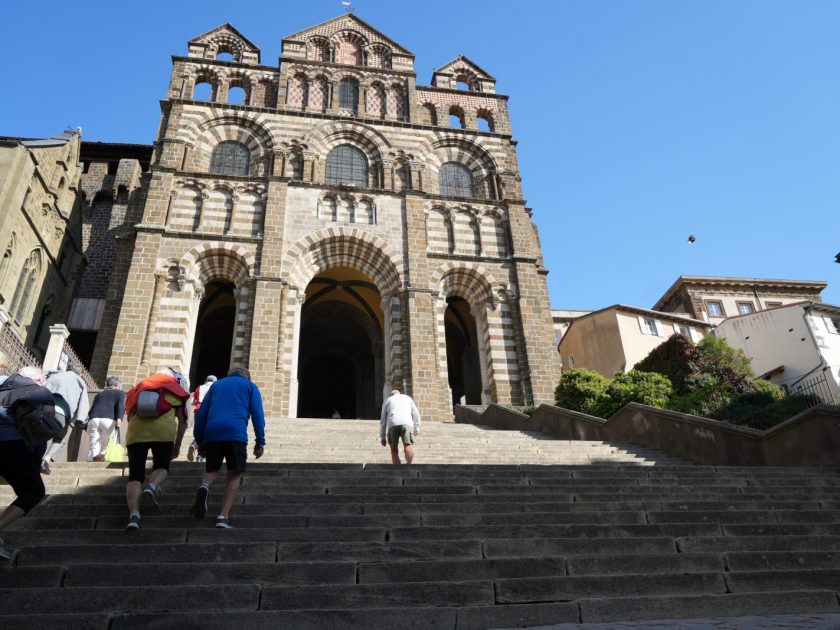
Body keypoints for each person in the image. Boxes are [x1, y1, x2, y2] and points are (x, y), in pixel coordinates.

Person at [191, 367, 265, 529]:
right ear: (247, 376)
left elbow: (201, 413)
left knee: (211, 469)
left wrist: (199, 439)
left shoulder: (216, 386)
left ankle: (204, 486)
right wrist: (260, 440)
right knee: (234, 473)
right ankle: (223, 516)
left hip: (213, 433)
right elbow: (257, 414)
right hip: (235, 433)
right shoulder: (250, 387)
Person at [123, 367, 189, 530]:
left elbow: (128, 413)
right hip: (163, 434)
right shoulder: (175, 388)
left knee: (135, 476)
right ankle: (152, 487)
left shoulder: (138, 387)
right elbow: (182, 421)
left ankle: (134, 516)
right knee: (162, 466)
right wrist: (178, 444)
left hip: (136, 434)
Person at [0, 366, 55, 559]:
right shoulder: (38, 391)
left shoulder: (3, 384)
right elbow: (45, 423)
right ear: (37, 380)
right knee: (34, 491)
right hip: (11, 443)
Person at [41, 363, 90, 474]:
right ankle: (46, 459)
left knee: (39, 432)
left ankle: (33, 456)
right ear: (81, 374)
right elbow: (84, 403)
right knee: (59, 438)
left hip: (43, 408)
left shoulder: (53, 375)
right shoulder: (80, 382)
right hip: (62, 412)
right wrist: (80, 419)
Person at [87, 376, 126, 462]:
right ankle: (104, 458)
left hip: (93, 419)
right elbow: (120, 406)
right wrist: (119, 418)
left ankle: (91, 460)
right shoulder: (119, 392)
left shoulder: (99, 395)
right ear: (118, 385)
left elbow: (92, 408)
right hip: (108, 419)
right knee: (112, 441)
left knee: (94, 443)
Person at [379, 389, 421, 465]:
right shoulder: (408, 398)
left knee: (394, 449)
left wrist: (383, 437)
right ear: (399, 394)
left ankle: (397, 467)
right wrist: (417, 428)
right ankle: (409, 464)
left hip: (393, 423)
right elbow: (416, 413)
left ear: (391, 395)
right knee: (408, 445)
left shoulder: (388, 400)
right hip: (407, 423)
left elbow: (383, 420)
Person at [187, 375, 217, 462]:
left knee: (200, 432)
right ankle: (199, 453)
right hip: (210, 411)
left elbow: (194, 401)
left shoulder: (199, 388)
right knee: (208, 433)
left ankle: (197, 448)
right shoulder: (216, 387)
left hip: (199, 410)